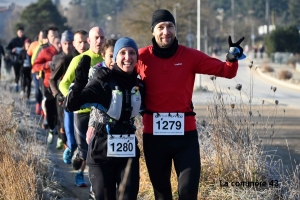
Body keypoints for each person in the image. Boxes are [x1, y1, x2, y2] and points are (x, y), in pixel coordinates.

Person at [136, 9, 244, 200]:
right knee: (162, 195)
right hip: (154, 136)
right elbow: (117, 70)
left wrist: (231, 58)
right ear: (152, 31)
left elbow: (226, 71)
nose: (166, 31)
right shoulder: (141, 57)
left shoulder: (189, 56)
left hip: (185, 136)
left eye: (170, 26)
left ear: (175, 29)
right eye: (160, 27)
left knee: (188, 193)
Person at [64, 37, 144, 200]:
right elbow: (70, 105)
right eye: (122, 53)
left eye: (132, 53)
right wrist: (80, 82)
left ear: (137, 58)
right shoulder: (103, 82)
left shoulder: (139, 85)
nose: (127, 57)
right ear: (114, 58)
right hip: (101, 152)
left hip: (128, 152)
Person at [59, 26, 105, 187]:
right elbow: (63, 84)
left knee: (97, 150)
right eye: (96, 38)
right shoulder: (79, 59)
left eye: (102, 38)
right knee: (85, 149)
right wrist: (72, 99)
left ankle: (94, 181)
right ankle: (79, 172)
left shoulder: (108, 60)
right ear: (89, 41)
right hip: (82, 112)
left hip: (101, 113)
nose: (99, 41)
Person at [33, 36, 61, 144]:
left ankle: (60, 135)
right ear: (52, 42)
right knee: (50, 109)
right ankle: (51, 128)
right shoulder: (45, 51)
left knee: (60, 110)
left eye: (61, 42)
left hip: (61, 86)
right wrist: (46, 64)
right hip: (48, 84)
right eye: (57, 43)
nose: (59, 45)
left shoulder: (65, 54)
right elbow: (35, 66)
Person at [49, 30, 74, 150]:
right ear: (61, 44)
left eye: (70, 43)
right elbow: (52, 79)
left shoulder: (77, 57)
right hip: (61, 94)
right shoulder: (58, 58)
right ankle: (64, 143)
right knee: (62, 120)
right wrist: (57, 94)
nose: (68, 46)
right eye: (65, 43)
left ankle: (72, 146)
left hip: (75, 94)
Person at [6, 26, 27, 92]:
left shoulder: (26, 40)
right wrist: (12, 50)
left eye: (22, 32)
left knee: (23, 74)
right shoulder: (13, 41)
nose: (21, 33)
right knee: (17, 73)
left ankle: (23, 88)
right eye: (20, 32)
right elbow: (7, 49)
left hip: (24, 60)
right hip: (15, 60)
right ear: (17, 33)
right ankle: (16, 84)